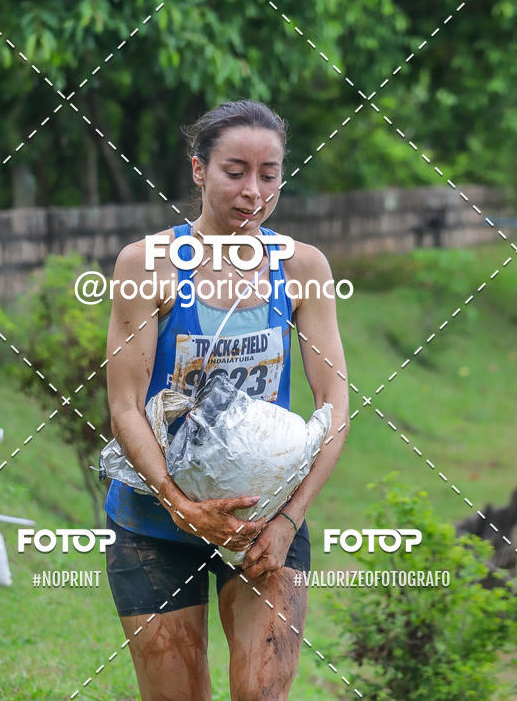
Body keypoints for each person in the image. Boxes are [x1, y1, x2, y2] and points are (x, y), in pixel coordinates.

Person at [104, 99, 349, 700]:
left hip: (268, 522)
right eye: (234, 171)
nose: (253, 191)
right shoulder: (149, 266)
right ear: (198, 170)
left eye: (269, 174)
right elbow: (126, 407)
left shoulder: (301, 268)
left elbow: (335, 406)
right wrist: (178, 502)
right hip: (154, 523)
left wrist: (290, 520)